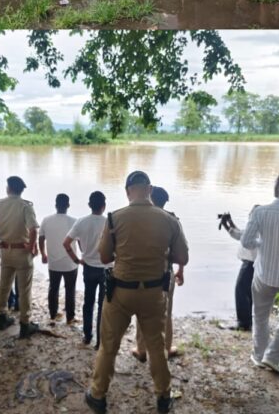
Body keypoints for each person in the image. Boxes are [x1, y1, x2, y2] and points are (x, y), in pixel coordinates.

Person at [86, 171, 189, 414]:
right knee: (156, 345)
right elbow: (182, 257)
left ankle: (98, 395)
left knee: (109, 345)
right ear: (150, 189)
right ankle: (163, 397)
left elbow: (103, 257)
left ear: (127, 191)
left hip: (121, 291)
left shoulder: (115, 218)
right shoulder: (169, 219)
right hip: (154, 293)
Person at [134, 186, 184, 360]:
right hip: (165, 273)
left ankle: (141, 349)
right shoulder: (173, 219)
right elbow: (182, 252)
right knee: (166, 311)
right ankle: (167, 348)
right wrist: (180, 271)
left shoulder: (139, 219)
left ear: (149, 198)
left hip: (142, 273)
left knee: (141, 310)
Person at [0, 176, 39, 339]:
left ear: (8, 188)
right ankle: (25, 324)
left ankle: (1, 316)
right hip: (22, 252)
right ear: (21, 190)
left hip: (5, 250)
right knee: (24, 289)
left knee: (4, 284)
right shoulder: (25, 206)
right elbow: (33, 229)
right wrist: (32, 247)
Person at [241, 173, 279, 371]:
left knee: (260, 315)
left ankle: (259, 356)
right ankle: (273, 356)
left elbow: (246, 241)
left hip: (264, 273)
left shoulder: (260, 212)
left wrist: (262, 244)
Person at [63, 190, 108, 348]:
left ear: (89, 205)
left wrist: (76, 260)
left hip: (88, 267)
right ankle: (100, 342)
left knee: (88, 303)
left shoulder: (81, 222)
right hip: (106, 269)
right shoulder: (109, 222)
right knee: (104, 306)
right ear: (104, 206)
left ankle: (87, 336)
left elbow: (66, 243)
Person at [39, 193, 78, 324]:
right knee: (70, 290)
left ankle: (52, 314)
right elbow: (80, 242)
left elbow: (41, 238)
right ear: (68, 205)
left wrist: (43, 254)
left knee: (53, 288)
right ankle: (70, 317)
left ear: (55, 205)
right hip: (70, 264)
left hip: (53, 262)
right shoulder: (74, 221)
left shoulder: (46, 220)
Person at [220, 208, 257, 331]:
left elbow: (238, 235)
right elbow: (240, 233)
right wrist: (230, 222)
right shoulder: (259, 229)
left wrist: (225, 224)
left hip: (249, 264)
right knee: (249, 293)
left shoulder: (253, 230)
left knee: (240, 290)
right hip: (256, 265)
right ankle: (249, 321)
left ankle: (243, 323)